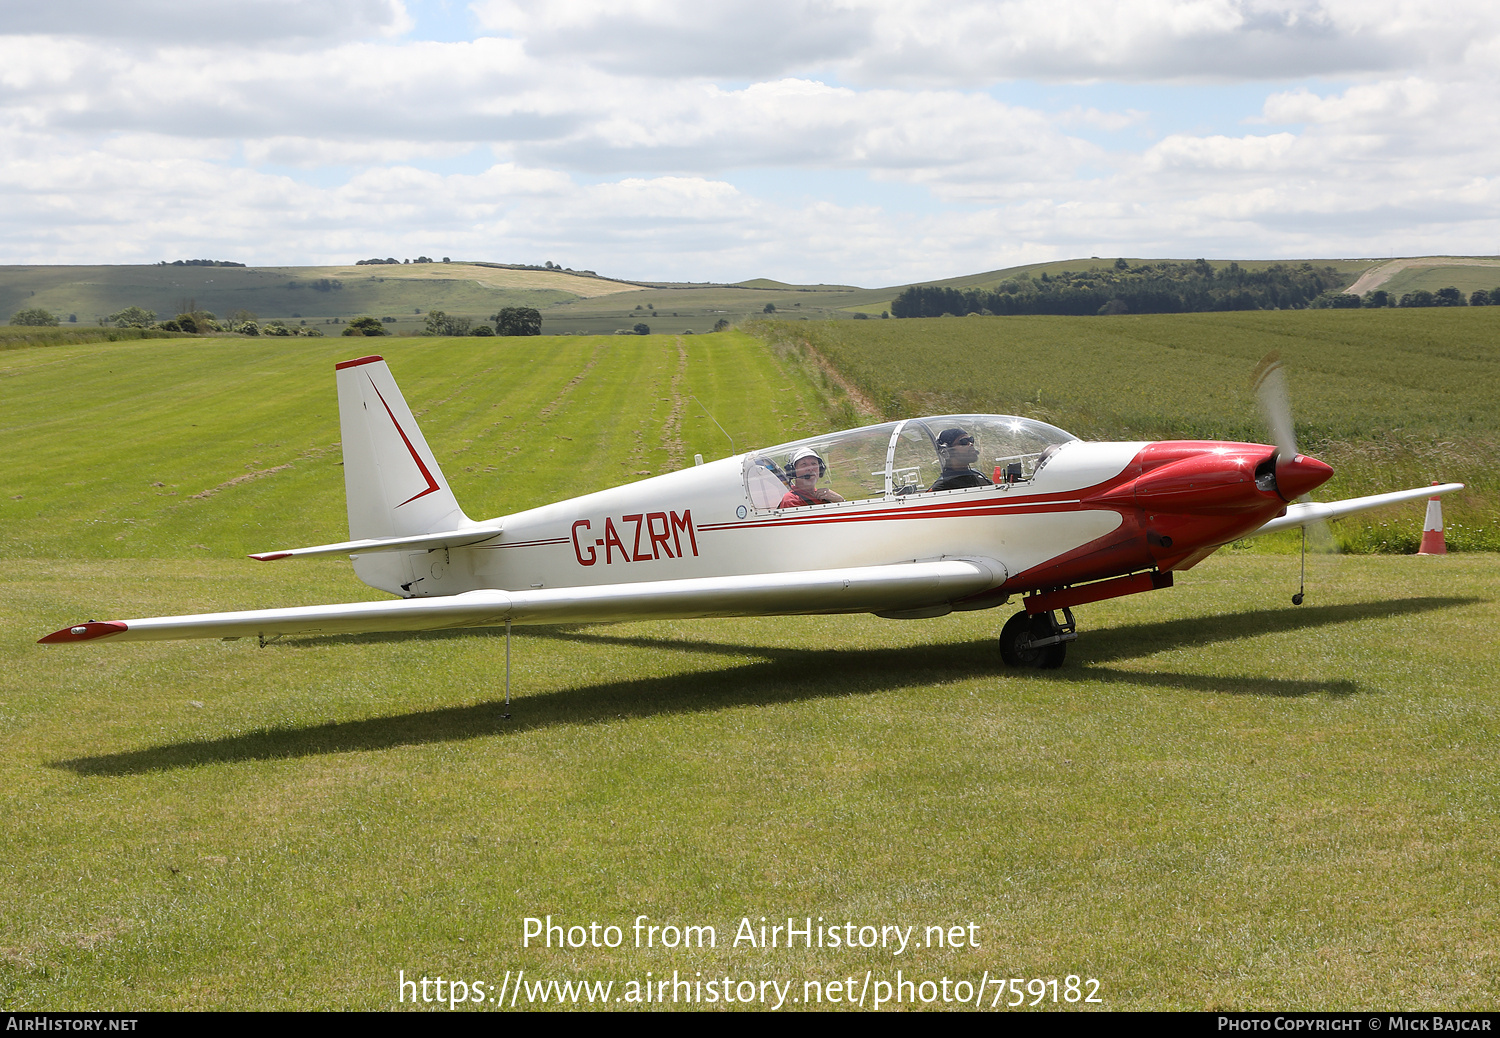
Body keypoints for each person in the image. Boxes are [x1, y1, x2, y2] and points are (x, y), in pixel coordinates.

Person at [929, 427, 994, 492]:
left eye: (971, 440)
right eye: (964, 441)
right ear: (945, 451)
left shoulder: (978, 475)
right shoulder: (941, 487)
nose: (971, 444)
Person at [778, 448, 846, 507]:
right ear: (793, 472)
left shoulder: (824, 496)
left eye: (814, 464)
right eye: (804, 464)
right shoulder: (791, 500)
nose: (810, 468)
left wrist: (840, 501)